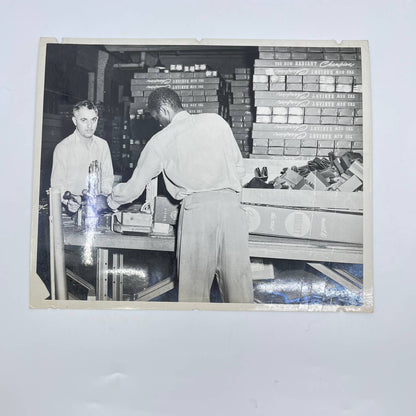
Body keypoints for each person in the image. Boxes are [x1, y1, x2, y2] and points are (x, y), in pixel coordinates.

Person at [98, 87, 253, 303]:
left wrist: (109, 200)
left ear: (164, 110)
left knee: (193, 295)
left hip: (198, 213)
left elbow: (133, 188)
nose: (159, 123)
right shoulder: (216, 121)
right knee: (240, 292)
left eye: (157, 118)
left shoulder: (162, 140)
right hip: (233, 209)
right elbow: (239, 168)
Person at [51, 100, 114, 212]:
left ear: (97, 120)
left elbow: (108, 179)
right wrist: (68, 201)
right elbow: (57, 186)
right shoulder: (63, 148)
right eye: (84, 120)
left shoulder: (103, 145)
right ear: (75, 121)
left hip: (96, 211)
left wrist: (102, 196)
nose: (90, 126)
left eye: (93, 120)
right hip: (70, 212)